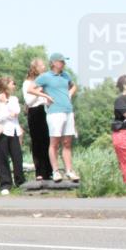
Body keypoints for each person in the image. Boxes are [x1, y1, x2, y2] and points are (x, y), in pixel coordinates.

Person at [32, 53, 80, 182]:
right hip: (54, 112)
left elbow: (74, 85)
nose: (63, 64)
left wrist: (69, 94)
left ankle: (69, 170)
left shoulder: (66, 75)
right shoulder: (45, 76)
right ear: (53, 63)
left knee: (67, 142)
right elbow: (31, 89)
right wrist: (46, 96)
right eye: (61, 61)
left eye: (64, 61)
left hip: (68, 111)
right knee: (54, 143)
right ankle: (56, 171)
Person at [0, 76, 25, 195]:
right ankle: (5, 184)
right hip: (2, 131)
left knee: (17, 157)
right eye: (12, 83)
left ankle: (20, 182)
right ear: (6, 85)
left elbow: (16, 111)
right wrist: (7, 114)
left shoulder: (13, 99)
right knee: (2, 157)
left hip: (14, 131)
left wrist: (5, 104)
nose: (14, 85)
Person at [23, 58, 53, 181]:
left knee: (48, 141)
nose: (44, 67)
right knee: (37, 142)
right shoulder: (28, 83)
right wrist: (39, 90)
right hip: (35, 112)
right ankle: (39, 171)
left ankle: (49, 171)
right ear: (35, 68)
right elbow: (29, 101)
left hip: (46, 111)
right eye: (41, 65)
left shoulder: (45, 81)